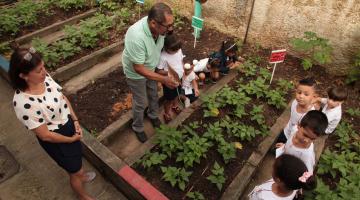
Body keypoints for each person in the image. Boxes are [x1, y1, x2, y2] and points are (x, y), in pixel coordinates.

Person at [8, 47, 95, 200]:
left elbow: (62, 98)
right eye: (38, 70)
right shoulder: (23, 103)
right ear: (23, 76)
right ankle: (82, 195)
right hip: (57, 139)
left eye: (43, 67)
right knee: (74, 170)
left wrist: (74, 120)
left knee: (76, 162)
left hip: (67, 126)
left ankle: (80, 174)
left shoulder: (45, 78)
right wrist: (71, 139)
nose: (44, 72)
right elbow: (46, 136)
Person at [122, 2, 178, 142]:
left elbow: (164, 48)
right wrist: (163, 79)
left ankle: (153, 115)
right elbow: (139, 68)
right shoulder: (136, 36)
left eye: (172, 24)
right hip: (136, 74)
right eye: (168, 26)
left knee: (153, 94)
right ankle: (138, 127)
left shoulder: (161, 31)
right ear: (153, 23)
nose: (171, 29)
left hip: (151, 68)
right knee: (140, 101)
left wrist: (161, 70)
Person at [249, 154, 317, 200]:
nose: (272, 168)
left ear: (278, 180)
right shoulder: (295, 184)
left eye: (273, 168)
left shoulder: (263, 195)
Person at [276, 77, 317, 144]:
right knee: (278, 145)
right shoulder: (295, 102)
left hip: (295, 139)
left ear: (314, 96)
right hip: (287, 131)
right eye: (299, 92)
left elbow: (305, 135)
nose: (301, 96)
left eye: (306, 94)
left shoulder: (310, 116)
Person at [156, 34, 183, 123]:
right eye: (173, 50)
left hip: (179, 77)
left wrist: (183, 69)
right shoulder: (163, 57)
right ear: (166, 48)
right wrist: (169, 73)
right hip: (169, 81)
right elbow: (158, 71)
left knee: (176, 95)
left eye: (178, 49)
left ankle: (174, 106)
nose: (176, 51)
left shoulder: (178, 50)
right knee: (169, 99)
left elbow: (181, 60)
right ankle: (167, 113)